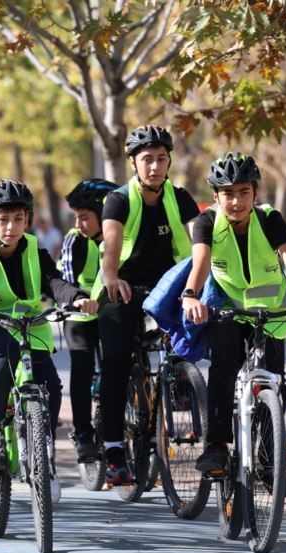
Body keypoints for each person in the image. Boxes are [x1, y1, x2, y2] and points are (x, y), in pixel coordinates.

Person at [180, 152, 286, 475]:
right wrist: (190, 296)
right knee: (224, 365)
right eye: (228, 194)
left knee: (274, 380)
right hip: (229, 311)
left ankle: (268, 459)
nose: (236, 201)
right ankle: (216, 446)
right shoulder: (207, 223)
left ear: (255, 192)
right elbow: (200, 265)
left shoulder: (269, 219)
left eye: (243, 193)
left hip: (271, 311)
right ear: (216, 196)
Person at [0, 179, 98, 503]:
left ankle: (45, 461)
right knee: (4, 355)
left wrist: (76, 297)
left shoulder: (35, 251)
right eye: (3, 220)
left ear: (27, 220)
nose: (11, 227)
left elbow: (53, 282)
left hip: (28, 327)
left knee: (52, 386)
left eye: (18, 219)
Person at [97, 125, 200, 486]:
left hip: (167, 287)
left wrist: (199, 285)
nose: (155, 166)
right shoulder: (119, 199)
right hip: (122, 285)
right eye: (147, 160)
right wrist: (110, 276)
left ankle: (180, 391)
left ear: (169, 161)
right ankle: (112, 450)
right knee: (116, 362)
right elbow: (111, 242)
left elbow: (197, 240)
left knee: (191, 340)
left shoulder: (181, 197)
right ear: (133, 163)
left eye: (161, 159)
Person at [58, 178, 118, 459]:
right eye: (77, 217)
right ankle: (83, 432)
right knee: (81, 368)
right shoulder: (74, 240)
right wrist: (80, 299)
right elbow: (68, 278)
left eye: (85, 217)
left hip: (110, 312)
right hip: (80, 315)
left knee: (116, 365)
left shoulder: (119, 236)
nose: (79, 223)